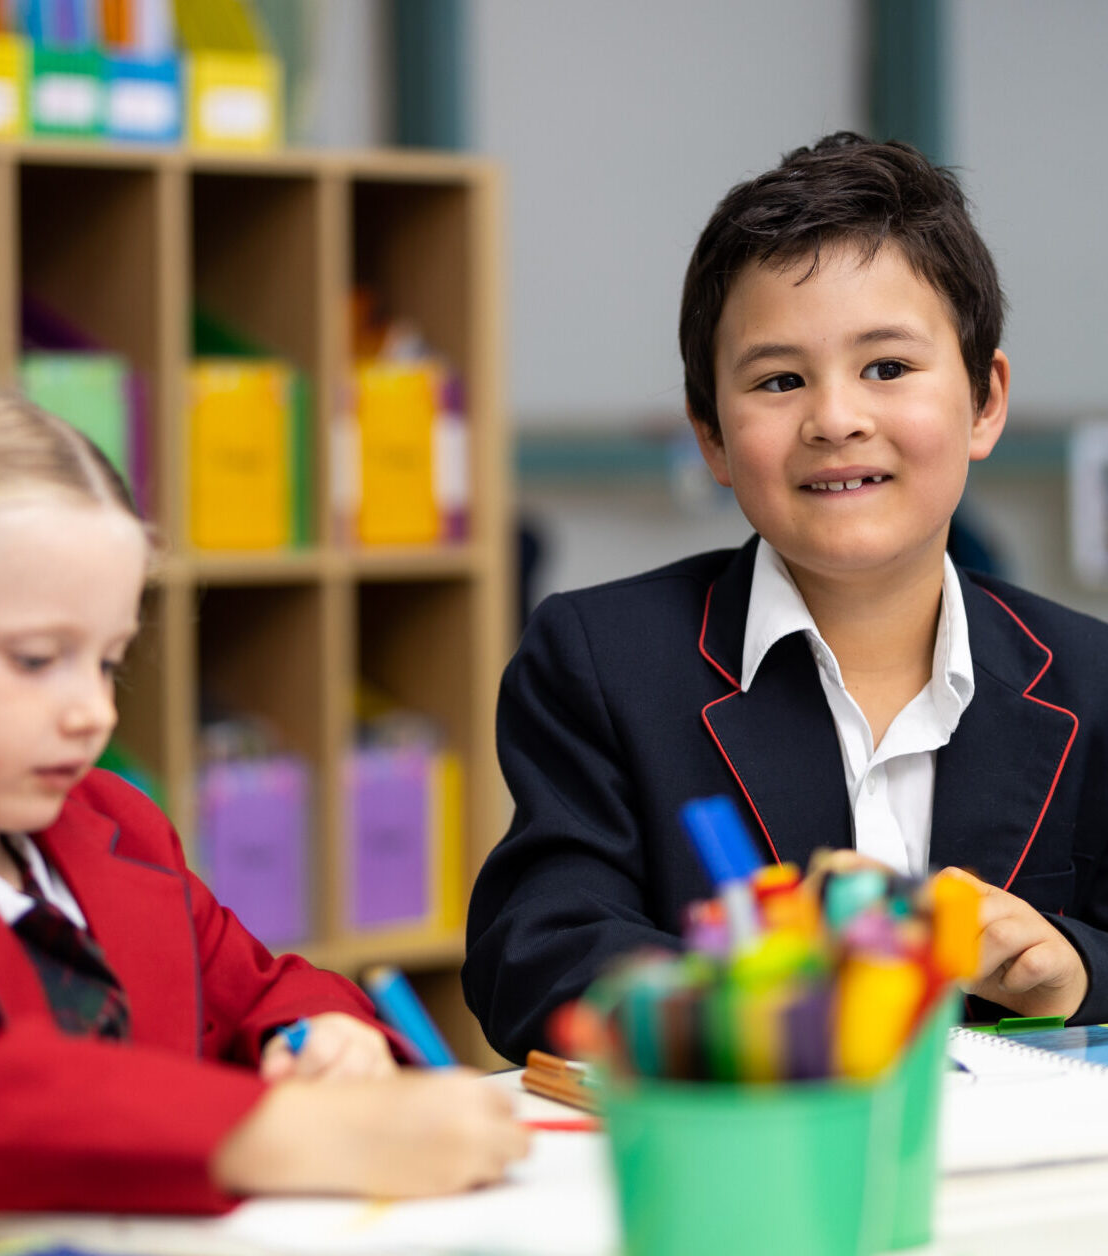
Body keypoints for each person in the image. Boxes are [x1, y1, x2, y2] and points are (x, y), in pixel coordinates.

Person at [0, 375, 528, 1256]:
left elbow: (265, 987)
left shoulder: (111, 823)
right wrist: (275, 1133)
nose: (94, 711)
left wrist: (322, 1037)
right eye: (38, 660)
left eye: (108, 660)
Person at [465, 131, 1108, 1064]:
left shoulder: (1090, 678)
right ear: (712, 437)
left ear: (983, 401)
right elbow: (535, 958)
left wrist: (1074, 971)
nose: (836, 418)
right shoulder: (600, 660)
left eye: (886, 368)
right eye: (778, 380)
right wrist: (764, 986)